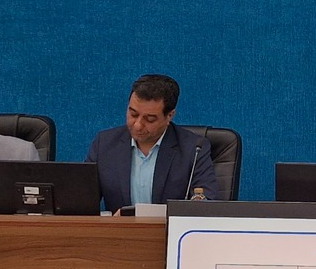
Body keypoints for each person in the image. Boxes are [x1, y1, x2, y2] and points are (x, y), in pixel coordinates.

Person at [85, 74, 220, 212]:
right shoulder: (104, 144)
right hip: (119, 227)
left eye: (149, 119)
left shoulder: (194, 149)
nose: (138, 125)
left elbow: (206, 202)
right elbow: (83, 201)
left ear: (170, 115)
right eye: (133, 114)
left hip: (168, 226)